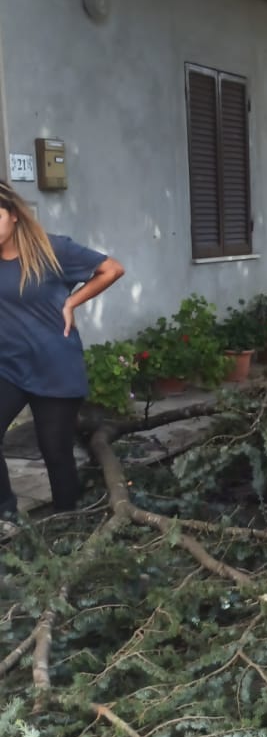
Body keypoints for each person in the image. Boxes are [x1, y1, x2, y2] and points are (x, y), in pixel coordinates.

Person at [0, 183, 124, 523]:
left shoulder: (51, 249)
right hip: (8, 368)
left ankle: (68, 524)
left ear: (13, 215)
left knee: (55, 451)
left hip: (54, 365)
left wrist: (73, 300)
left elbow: (112, 269)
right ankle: (5, 513)